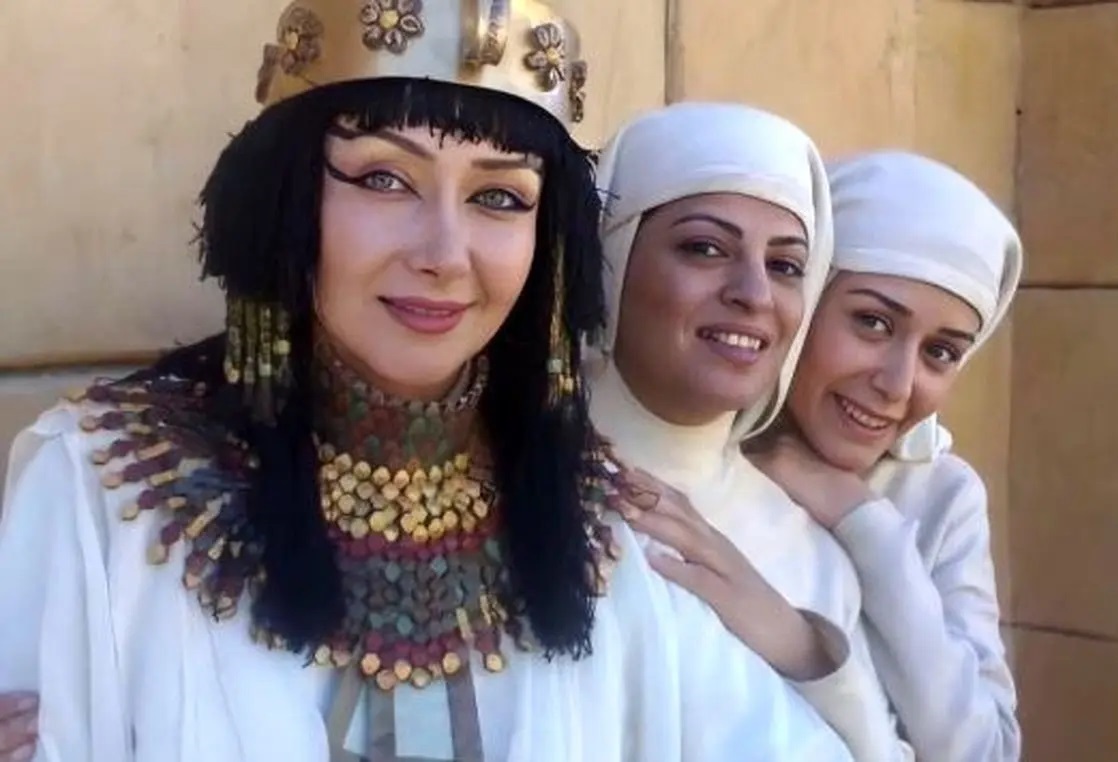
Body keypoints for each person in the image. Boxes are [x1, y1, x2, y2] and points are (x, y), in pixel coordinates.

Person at [0, 2, 854, 761]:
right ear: (287, 201)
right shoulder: (107, 483)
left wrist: (806, 630)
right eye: (384, 178)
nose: (444, 254)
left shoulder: (601, 524)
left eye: (500, 198)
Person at [588, 102, 910, 761]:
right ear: (610, 262)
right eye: (705, 249)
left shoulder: (809, 551)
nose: (755, 294)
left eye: (786, 266)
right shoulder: (489, 496)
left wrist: (802, 646)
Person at [750, 150, 1023, 761]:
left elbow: (985, 750)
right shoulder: (702, 457)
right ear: (804, 300)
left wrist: (866, 525)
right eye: (872, 323)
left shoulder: (943, 494)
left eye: (941, 353)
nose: (898, 385)